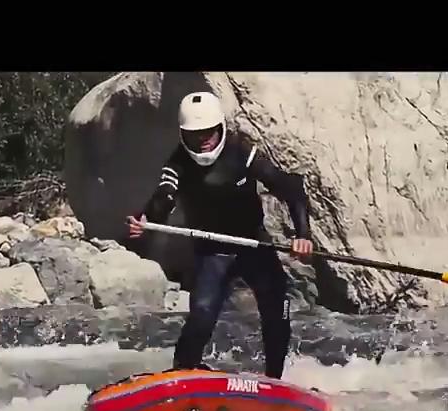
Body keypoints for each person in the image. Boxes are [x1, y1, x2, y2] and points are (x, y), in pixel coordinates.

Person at [127, 90, 314, 380]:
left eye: (208, 132)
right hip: (211, 250)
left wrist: (303, 234)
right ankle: (183, 374)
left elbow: (291, 188)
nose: (203, 140)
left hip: (254, 243)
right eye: (194, 134)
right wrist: (147, 218)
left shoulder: (243, 153)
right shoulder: (177, 164)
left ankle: (275, 380)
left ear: (220, 128)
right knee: (201, 314)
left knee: (277, 309)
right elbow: (163, 198)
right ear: (182, 134)